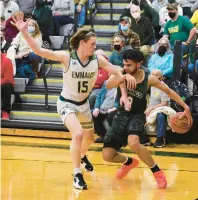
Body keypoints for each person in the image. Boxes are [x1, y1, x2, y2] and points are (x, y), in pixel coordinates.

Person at [11, 17, 128, 190]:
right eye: (93, 44)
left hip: (84, 105)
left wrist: (124, 89)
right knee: (78, 134)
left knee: (89, 139)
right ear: (82, 43)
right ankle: (77, 174)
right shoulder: (67, 57)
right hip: (67, 103)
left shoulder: (98, 60)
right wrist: (23, 31)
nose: (95, 47)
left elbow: (118, 72)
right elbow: (38, 49)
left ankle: (81, 156)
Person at [102, 49, 192, 189]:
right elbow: (108, 85)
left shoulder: (148, 78)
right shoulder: (121, 72)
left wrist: (185, 107)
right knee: (107, 155)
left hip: (137, 115)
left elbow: (168, 91)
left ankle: (157, 171)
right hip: (120, 115)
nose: (126, 67)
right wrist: (123, 77)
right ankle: (129, 162)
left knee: (134, 143)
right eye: (124, 64)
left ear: (139, 64)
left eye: (129, 65)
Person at [145, 70, 170, 148]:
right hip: (148, 108)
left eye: (156, 75)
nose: (153, 76)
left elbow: (164, 103)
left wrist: (151, 108)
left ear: (161, 77)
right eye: (152, 74)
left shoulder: (164, 87)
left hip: (160, 109)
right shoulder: (148, 85)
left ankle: (160, 139)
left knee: (161, 115)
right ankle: (144, 138)